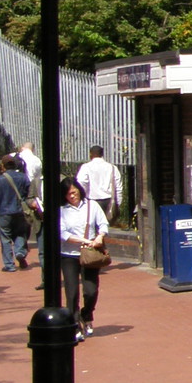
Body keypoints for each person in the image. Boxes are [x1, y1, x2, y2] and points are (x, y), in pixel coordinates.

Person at [57, 176, 108, 340]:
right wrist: (84, 240)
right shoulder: (61, 210)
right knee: (72, 293)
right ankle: (74, 324)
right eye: (68, 194)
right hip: (69, 255)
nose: (72, 196)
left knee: (91, 291)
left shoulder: (91, 206)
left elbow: (103, 224)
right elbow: (63, 234)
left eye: (73, 192)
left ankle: (87, 315)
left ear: (79, 189)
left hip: (90, 255)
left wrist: (100, 236)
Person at [0, 154, 33, 272]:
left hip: (4, 212)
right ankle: (20, 252)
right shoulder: (23, 177)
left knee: (5, 238)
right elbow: (29, 193)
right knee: (20, 233)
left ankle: (9, 264)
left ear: (3, 166)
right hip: (20, 211)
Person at [76, 145, 122, 221]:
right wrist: (118, 203)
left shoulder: (86, 167)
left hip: (92, 200)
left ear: (90, 154)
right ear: (102, 154)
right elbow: (118, 187)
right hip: (108, 201)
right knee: (105, 224)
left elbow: (81, 182)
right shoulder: (112, 168)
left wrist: (82, 197)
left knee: (91, 223)